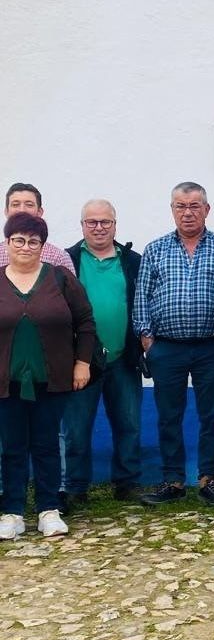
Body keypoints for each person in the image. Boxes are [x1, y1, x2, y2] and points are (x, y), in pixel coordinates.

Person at [134, 182, 214, 507]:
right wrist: (148, 341)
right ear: (172, 210)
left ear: (207, 209)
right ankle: (173, 481)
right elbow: (141, 298)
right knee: (168, 416)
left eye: (195, 206)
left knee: (211, 415)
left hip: (212, 347)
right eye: (181, 206)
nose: (188, 212)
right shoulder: (155, 249)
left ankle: (209, 480)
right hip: (167, 348)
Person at [0, 213, 95, 539]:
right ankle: (12, 512)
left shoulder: (61, 279)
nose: (26, 246)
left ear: (42, 245)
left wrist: (82, 363)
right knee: (12, 447)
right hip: (6, 382)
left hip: (51, 379)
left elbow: (85, 323)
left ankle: (48, 510)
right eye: (19, 240)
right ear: (8, 242)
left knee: (46, 445)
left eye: (33, 241)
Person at [61, 200, 143, 507]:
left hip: (124, 356)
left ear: (115, 225)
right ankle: (75, 487)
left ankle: (127, 483)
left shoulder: (132, 260)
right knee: (76, 428)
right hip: (81, 360)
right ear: (82, 225)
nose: (99, 228)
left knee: (129, 423)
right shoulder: (66, 261)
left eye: (105, 222)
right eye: (92, 222)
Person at [0, 183, 76, 273]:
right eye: (16, 204)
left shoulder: (58, 258)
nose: (22, 210)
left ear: (40, 212)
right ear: (6, 212)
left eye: (29, 205)